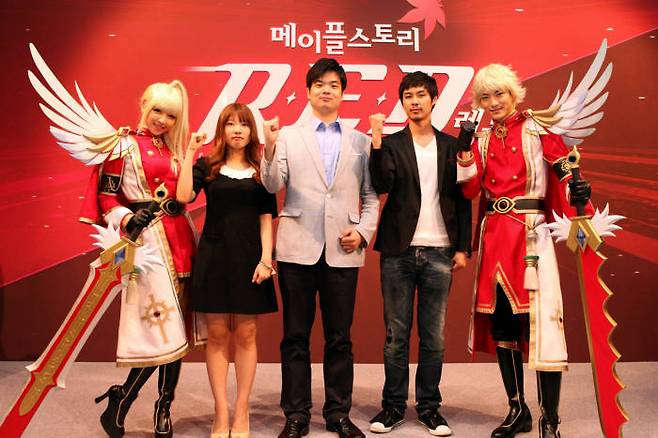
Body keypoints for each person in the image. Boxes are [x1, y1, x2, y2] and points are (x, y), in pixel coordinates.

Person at [456, 64, 592, 438]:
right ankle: (518, 410)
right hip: (495, 238)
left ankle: (550, 419)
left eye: (499, 94)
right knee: (503, 323)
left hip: (532, 237)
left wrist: (578, 191)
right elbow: (469, 190)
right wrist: (464, 153)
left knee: (543, 324)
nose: (493, 102)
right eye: (485, 97)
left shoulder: (538, 128)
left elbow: (566, 173)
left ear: (513, 93)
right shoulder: (482, 139)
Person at [261, 58, 380, 438]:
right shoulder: (287, 136)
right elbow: (271, 186)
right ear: (309, 91)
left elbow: (371, 196)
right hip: (297, 246)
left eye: (333, 85)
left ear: (343, 93)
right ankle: (296, 414)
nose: (326, 90)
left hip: (343, 248)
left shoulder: (360, 141)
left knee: (339, 337)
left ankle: (338, 413)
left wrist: (363, 232)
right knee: (295, 335)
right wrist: (268, 148)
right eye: (319, 84)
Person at [89, 80, 198, 438]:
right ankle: (124, 397)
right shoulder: (121, 144)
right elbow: (106, 198)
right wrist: (126, 218)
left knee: (178, 329)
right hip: (148, 245)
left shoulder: (176, 149)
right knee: (160, 328)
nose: (163, 120)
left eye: (171, 115)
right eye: (157, 111)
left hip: (183, 241)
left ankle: (163, 407)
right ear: (144, 105)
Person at [367, 72, 471, 436]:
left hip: (440, 249)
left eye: (421, 95)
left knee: (434, 336)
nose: (414, 101)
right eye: (408, 96)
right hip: (398, 250)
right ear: (402, 102)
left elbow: (463, 198)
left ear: (434, 99)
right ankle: (393, 406)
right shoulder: (391, 143)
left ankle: (429, 407)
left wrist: (463, 247)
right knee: (396, 334)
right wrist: (376, 142)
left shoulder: (452, 145)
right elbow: (381, 184)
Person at [177, 103, 278, 438]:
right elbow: (183, 196)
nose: (237, 130)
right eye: (230, 124)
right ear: (222, 130)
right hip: (214, 256)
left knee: (247, 334)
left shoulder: (261, 170)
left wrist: (266, 259)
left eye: (243, 124)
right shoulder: (207, 166)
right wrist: (190, 153)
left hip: (251, 258)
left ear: (251, 131)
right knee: (218, 334)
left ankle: (242, 410)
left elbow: (267, 218)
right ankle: (221, 412)